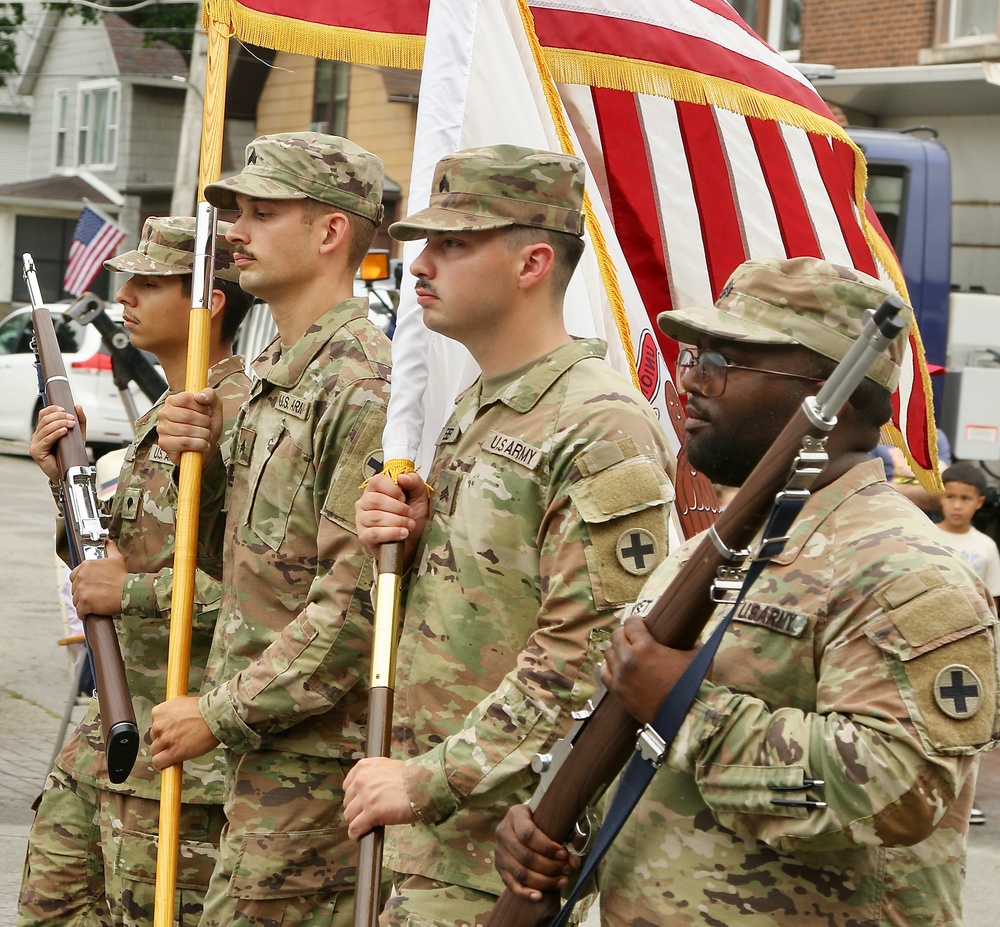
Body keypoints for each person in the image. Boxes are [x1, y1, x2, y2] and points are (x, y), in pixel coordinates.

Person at [495, 256, 1000, 927]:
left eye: (725, 363)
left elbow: (902, 790)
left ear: (834, 400)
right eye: (694, 357)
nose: (691, 384)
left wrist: (687, 708)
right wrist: (563, 821)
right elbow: (643, 750)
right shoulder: (706, 554)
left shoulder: (903, 569)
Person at [342, 144, 676, 927]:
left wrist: (426, 780)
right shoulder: (483, 406)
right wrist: (411, 539)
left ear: (532, 262)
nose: (419, 265)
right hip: (430, 839)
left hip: (499, 854)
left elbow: (589, 661)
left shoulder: (598, 426)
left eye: (452, 244)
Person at [148, 132, 391, 927]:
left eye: (261, 211)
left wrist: (213, 714)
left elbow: (351, 610)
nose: (235, 231)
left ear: (330, 232)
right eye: (234, 212)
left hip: (313, 769)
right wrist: (205, 463)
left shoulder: (360, 384)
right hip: (261, 757)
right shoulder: (275, 379)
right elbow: (236, 563)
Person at [19, 216, 254, 927]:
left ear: (208, 301)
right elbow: (114, 553)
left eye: (152, 282)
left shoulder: (238, 418)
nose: (129, 294)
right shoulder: (166, 413)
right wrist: (66, 481)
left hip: (179, 749)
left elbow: (268, 593)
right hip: (108, 737)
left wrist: (132, 592)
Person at [937, 460, 1000, 826]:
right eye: (950, 496)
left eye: (965, 498)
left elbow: (993, 599)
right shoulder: (924, 534)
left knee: (969, 720)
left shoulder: (986, 546)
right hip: (931, 639)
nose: (957, 505)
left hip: (972, 644)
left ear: (979, 502)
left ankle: (964, 798)